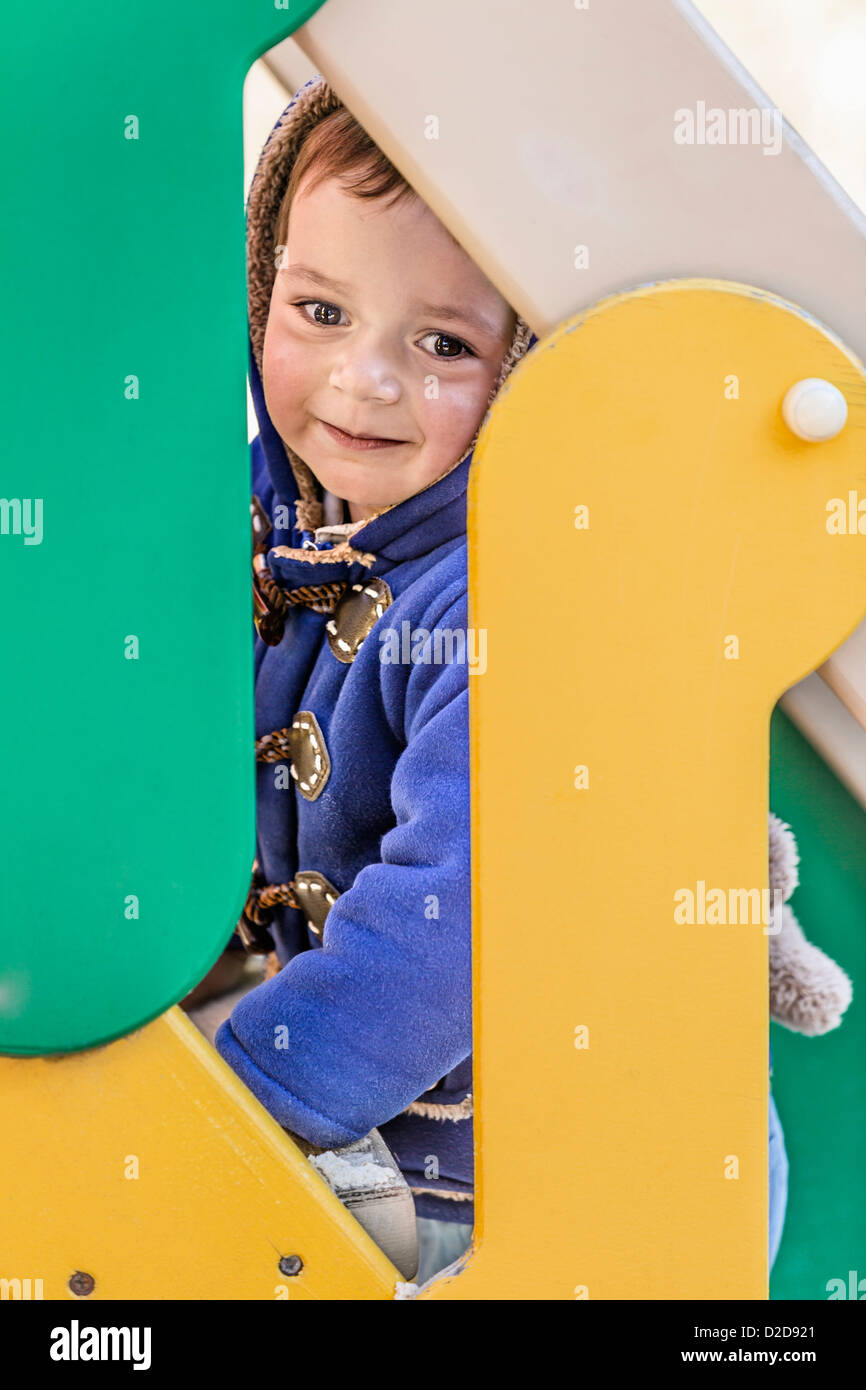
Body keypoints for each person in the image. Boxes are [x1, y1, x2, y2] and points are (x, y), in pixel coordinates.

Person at [212, 73, 800, 1285]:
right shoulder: (301, 540)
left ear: (529, 363)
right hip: (414, 1154)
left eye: (440, 344)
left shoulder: (510, 600)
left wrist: (247, 1098)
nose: (364, 380)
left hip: (550, 1183)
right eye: (319, 309)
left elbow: (465, 915)